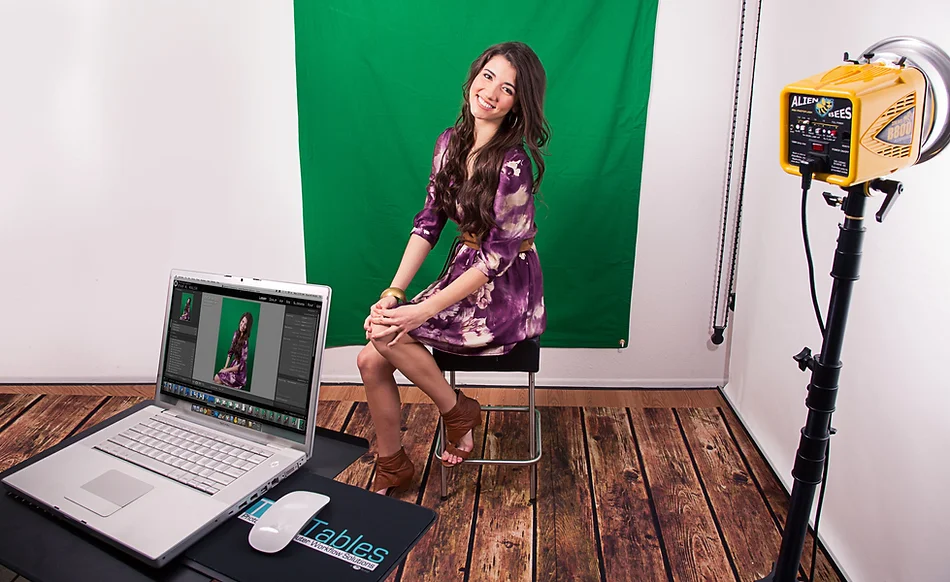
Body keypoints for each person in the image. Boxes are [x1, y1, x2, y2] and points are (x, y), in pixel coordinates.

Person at [357, 41, 550, 496]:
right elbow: (427, 224)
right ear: (474, 76)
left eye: (508, 89)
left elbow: (498, 258)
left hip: (507, 290)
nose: (491, 93)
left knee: (380, 339)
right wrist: (395, 294)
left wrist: (419, 314)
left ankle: (454, 414)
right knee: (371, 354)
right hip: (462, 272)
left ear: (518, 104)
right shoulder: (449, 142)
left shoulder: (514, 162)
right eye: (488, 77)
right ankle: (406, 455)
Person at [214, 312, 253, 390]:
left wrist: (225, 370)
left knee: (217, 378)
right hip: (233, 366)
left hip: (240, 374)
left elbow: (241, 366)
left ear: (248, 327)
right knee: (217, 378)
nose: (243, 326)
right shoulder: (236, 334)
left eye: (246, 324)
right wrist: (225, 367)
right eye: (242, 322)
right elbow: (230, 352)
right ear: (240, 321)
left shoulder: (245, 341)